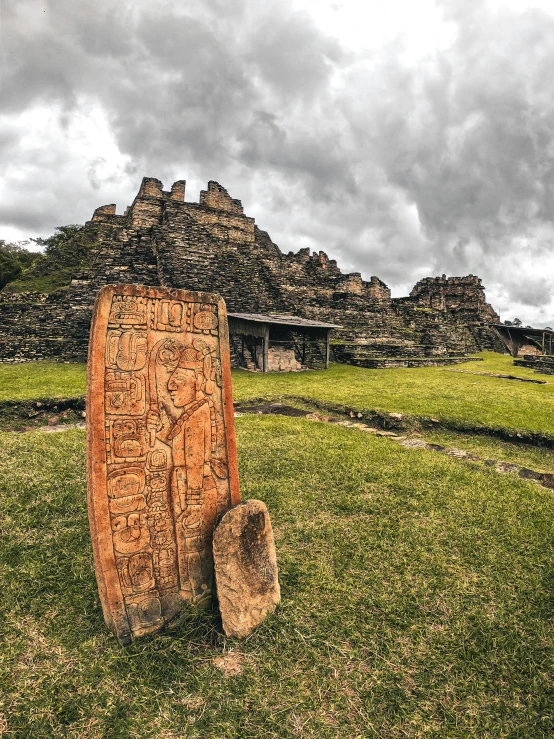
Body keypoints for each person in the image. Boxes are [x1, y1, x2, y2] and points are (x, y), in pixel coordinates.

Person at [146, 342, 219, 603]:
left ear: (196, 382)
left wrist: (194, 502)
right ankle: (190, 588)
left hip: (192, 485)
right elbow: (178, 444)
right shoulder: (189, 415)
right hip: (182, 483)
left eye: (178, 380)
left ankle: (198, 590)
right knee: (186, 540)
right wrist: (162, 424)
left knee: (193, 540)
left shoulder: (199, 414)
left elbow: (196, 460)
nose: (170, 386)